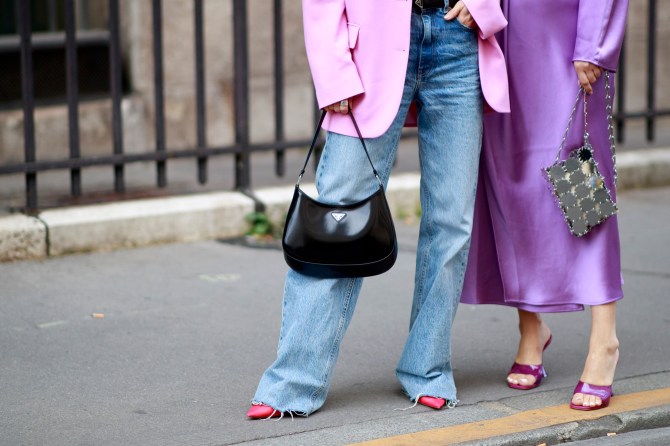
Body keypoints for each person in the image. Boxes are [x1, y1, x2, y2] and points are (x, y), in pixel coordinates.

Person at [247, 0, 510, 418]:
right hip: (371, 48)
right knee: (336, 222)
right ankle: (293, 381)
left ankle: (428, 369)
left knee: (452, 223)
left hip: (458, 41)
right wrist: (333, 70)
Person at [461, 0, 628, 410]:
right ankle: (531, 327)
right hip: (500, 37)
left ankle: (604, 341)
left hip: (565, 42)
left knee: (581, 185)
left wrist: (592, 43)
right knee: (511, 183)